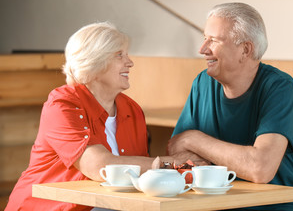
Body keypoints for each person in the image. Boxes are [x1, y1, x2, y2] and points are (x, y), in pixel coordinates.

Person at [168, 3, 293, 211]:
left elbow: (260, 168)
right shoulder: (202, 84)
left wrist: (194, 139)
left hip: (287, 207)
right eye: (204, 38)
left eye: (213, 40)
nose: (203, 49)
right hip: (224, 205)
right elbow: (176, 151)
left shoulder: (279, 87)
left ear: (245, 49)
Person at [5, 22, 174, 211]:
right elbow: (99, 166)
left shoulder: (132, 109)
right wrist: (168, 164)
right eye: (119, 55)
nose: (130, 62)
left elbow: (140, 178)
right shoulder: (62, 104)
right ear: (94, 61)